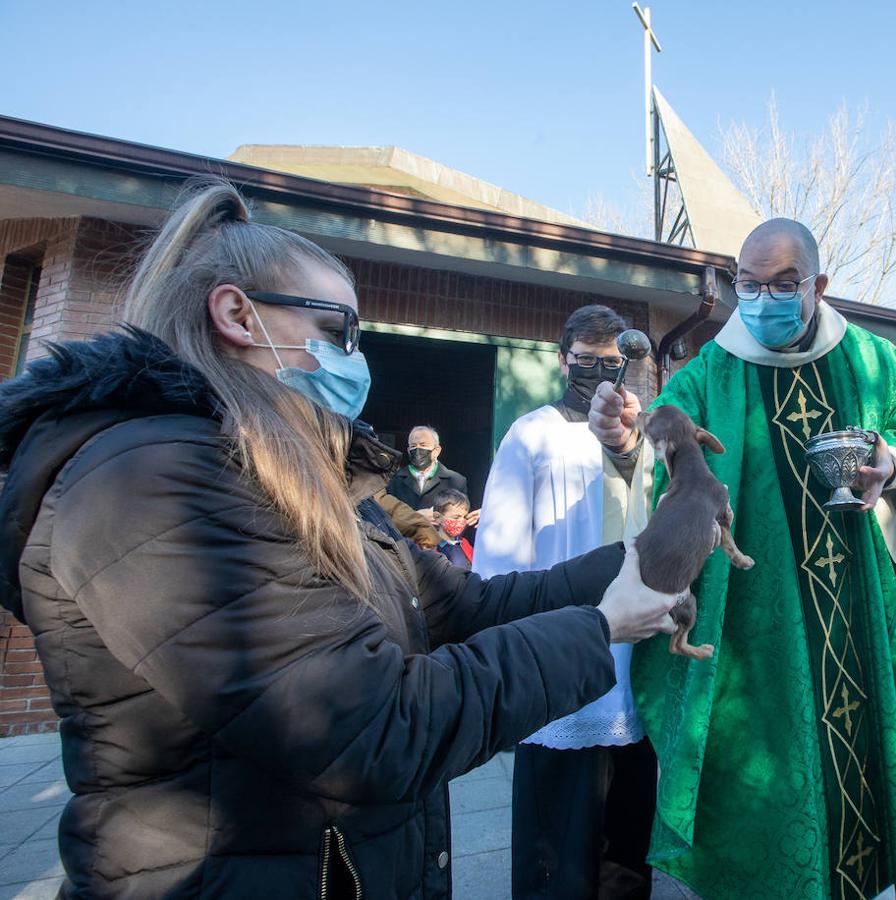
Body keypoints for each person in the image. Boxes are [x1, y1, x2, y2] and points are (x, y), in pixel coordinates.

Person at [0, 181, 684, 898]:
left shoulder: (294, 476)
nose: (355, 360)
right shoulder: (150, 482)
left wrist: (641, 560)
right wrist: (600, 626)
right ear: (237, 314)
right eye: (339, 332)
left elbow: (462, 605)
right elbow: (372, 727)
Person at [590, 218, 896, 899]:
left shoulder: (874, 362)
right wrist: (621, 441)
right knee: (764, 823)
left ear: (817, 285)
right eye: (748, 285)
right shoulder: (710, 375)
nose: (762, 299)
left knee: (855, 802)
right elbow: (659, 440)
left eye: (783, 284)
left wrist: (894, 466)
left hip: (856, 619)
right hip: (758, 647)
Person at [474, 303, 659, 900]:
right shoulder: (532, 432)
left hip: (638, 656)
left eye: (614, 362)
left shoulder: (647, 437)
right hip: (557, 653)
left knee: (626, 835)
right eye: (586, 360)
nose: (601, 372)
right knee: (559, 833)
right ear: (562, 359)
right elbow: (500, 551)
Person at [386, 424, 469, 515]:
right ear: (408, 450)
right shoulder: (393, 479)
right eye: (413, 446)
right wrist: (417, 517)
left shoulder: (456, 481)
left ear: (436, 451)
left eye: (423, 445)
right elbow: (386, 515)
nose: (417, 450)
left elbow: (460, 518)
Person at [433, 489, 475, 568]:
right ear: (437, 517)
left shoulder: (465, 544)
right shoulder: (430, 546)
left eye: (465, 517)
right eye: (456, 517)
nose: (461, 521)